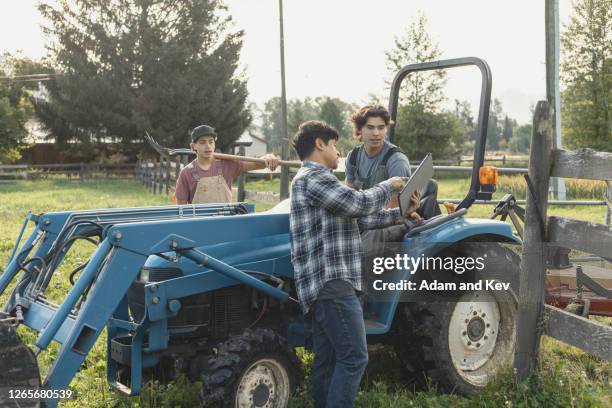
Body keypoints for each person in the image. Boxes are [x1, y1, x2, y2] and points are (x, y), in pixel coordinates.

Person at [289, 120, 419, 408]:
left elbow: (360, 219)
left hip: (327, 285)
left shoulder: (320, 183)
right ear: (320, 144)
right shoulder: (314, 179)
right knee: (355, 357)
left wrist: (403, 214)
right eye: (335, 145)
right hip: (332, 282)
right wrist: (389, 185)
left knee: (330, 358)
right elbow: (358, 204)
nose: (339, 152)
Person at [346, 104, 440, 219]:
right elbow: (349, 198)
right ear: (359, 130)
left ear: (386, 129)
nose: (376, 133)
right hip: (364, 218)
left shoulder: (396, 160)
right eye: (370, 127)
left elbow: (395, 208)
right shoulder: (353, 157)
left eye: (381, 128)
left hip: (390, 220)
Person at [175, 124, 279, 204]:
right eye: (202, 142)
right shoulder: (186, 173)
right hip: (200, 227)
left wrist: (267, 158)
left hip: (226, 223)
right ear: (193, 146)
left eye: (211, 142)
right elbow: (182, 210)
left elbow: (256, 164)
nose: (208, 146)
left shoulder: (226, 165)